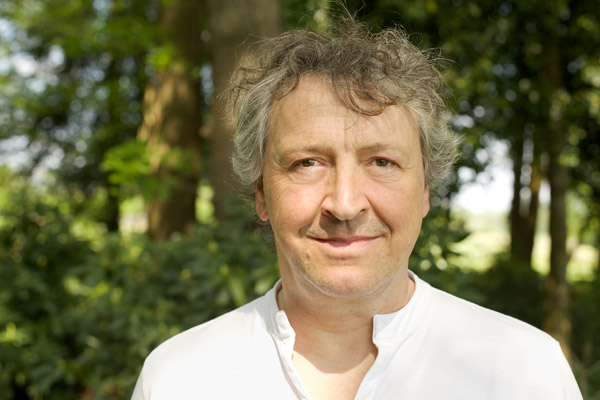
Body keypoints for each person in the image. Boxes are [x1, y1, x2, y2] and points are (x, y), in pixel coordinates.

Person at [131, 11, 582, 400]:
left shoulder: (524, 371)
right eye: (307, 163)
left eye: (382, 162)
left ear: (425, 190)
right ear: (262, 194)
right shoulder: (179, 378)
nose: (345, 205)